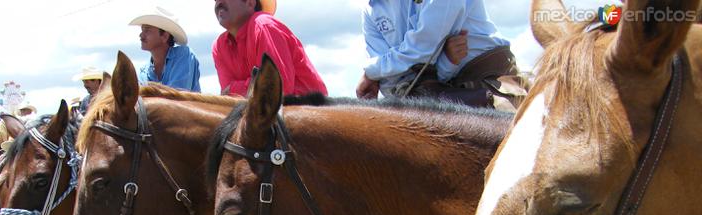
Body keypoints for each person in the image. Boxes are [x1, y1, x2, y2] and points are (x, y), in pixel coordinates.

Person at [357, 0, 524, 108]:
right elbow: (389, 82)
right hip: (429, 90)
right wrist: (447, 63)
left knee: (514, 130)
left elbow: (421, 50)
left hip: (485, 77)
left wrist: (371, 72)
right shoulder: (370, 9)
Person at [212, 0, 328, 96]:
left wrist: (234, 88)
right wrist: (253, 84)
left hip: (309, 112)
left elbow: (276, 89)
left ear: (250, 3)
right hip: (266, 116)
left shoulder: (264, 25)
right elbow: (228, 99)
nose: (218, 3)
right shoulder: (219, 47)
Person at [129, 7, 201, 91]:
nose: (141, 35)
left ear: (165, 36)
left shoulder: (184, 54)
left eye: (147, 30)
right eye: (142, 30)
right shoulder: (143, 72)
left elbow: (176, 97)